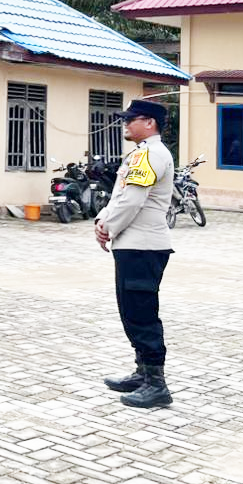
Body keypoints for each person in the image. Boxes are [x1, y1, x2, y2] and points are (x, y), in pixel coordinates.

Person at [95, 98, 175, 409]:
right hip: (133, 244)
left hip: (144, 245)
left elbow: (133, 201)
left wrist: (107, 227)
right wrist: (103, 220)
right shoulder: (142, 153)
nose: (126, 125)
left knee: (141, 313)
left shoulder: (152, 153)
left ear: (150, 123)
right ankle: (143, 372)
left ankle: (157, 383)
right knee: (131, 311)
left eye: (132, 119)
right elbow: (121, 195)